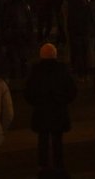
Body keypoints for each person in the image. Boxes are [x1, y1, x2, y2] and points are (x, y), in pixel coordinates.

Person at [24, 43, 78, 173]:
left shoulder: (35, 71)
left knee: (42, 138)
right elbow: (72, 90)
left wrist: (36, 102)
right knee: (57, 139)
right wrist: (63, 101)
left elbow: (28, 92)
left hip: (41, 110)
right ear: (55, 55)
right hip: (58, 109)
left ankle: (43, 164)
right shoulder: (62, 70)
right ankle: (58, 164)